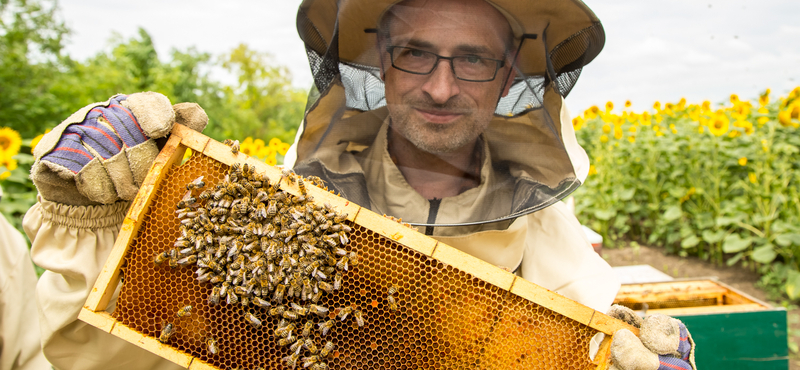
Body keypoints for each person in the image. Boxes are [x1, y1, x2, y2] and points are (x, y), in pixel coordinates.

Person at [25, 0, 694, 369]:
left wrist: (629, 346)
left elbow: (586, 314)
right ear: (379, 66)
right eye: (414, 53)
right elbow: (114, 356)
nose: (440, 85)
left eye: (473, 59)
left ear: (507, 77)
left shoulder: (546, 228)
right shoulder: (277, 218)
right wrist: (92, 227)